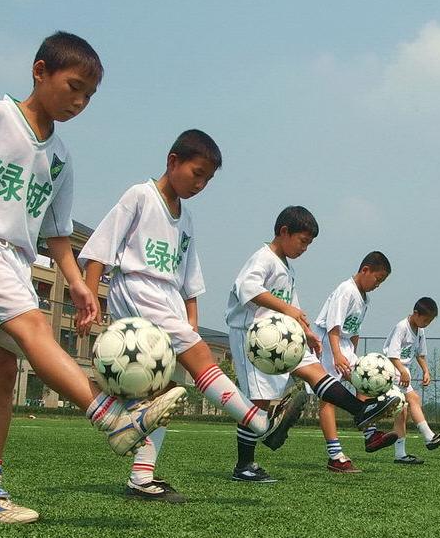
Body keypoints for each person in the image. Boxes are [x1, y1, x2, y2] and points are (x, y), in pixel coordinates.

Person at [0, 32, 184, 524]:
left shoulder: (60, 157)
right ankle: (111, 417)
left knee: (1, 375)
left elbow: (57, 234)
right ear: (40, 71)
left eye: (89, 96)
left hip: (17, 260)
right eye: (74, 87)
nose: (79, 102)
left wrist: (77, 281)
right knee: (35, 326)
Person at [80, 130, 306, 502]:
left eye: (207, 179)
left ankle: (141, 478)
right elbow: (100, 249)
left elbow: (189, 280)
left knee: (162, 395)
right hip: (139, 290)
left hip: (167, 298)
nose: (200, 184)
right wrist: (89, 296)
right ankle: (261, 424)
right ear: (173, 161)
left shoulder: (186, 217)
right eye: (196, 173)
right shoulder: (140, 196)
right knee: (200, 357)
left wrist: (191, 320)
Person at [224, 206, 399, 483]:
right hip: (253, 337)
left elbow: (292, 307)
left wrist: (306, 332)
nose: (305, 249)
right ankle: (245, 464)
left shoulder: (287, 267)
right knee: (258, 402)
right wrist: (288, 310)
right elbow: (248, 288)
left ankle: (361, 410)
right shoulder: (264, 257)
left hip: (282, 335)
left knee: (316, 371)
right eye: (303, 241)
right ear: (284, 232)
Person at [314, 251, 394, 473]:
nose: (378, 285)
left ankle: (371, 435)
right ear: (365, 270)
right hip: (329, 342)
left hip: (345, 345)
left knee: (364, 382)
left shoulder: (364, 298)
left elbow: (355, 330)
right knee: (328, 398)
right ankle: (335, 456)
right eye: (378, 279)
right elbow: (333, 326)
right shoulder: (346, 290)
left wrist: (355, 359)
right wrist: (337, 354)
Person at [380, 297, 440, 464]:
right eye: (425, 320)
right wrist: (402, 371)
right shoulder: (402, 327)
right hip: (392, 370)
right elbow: (392, 354)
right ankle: (429, 437)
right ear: (416, 313)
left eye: (430, 321)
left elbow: (420, 354)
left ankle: (401, 454)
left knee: (403, 411)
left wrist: (426, 370)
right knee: (412, 400)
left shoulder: (420, 331)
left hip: (403, 372)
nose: (427, 324)